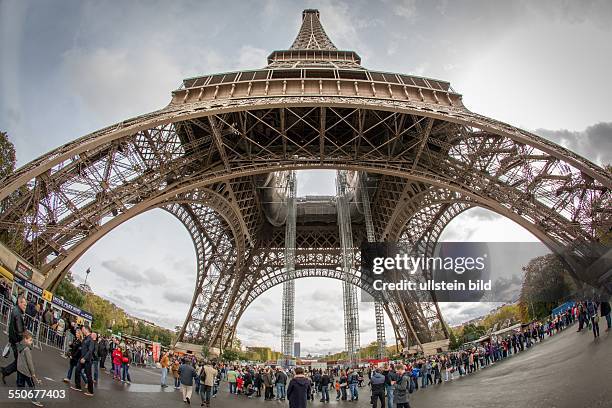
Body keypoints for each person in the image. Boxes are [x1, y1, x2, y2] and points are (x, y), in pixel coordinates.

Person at [1, 295, 26, 384]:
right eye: (24, 304)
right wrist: (24, 341)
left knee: (19, 362)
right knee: (20, 362)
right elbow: (19, 331)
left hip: (14, 340)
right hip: (17, 342)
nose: (25, 306)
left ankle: (6, 372)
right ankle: (5, 372)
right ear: (19, 303)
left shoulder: (15, 311)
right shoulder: (18, 314)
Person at [16, 330, 44, 407]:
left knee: (20, 382)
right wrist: (33, 373)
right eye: (31, 340)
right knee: (31, 386)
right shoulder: (27, 349)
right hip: (26, 371)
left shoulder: (20, 344)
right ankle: (34, 400)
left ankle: (20, 393)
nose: (32, 342)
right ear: (25, 339)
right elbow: (30, 363)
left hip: (19, 368)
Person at [72, 325, 94, 396]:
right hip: (81, 359)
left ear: (86, 330)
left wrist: (85, 358)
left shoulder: (91, 339)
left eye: (83, 329)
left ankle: (91, 392)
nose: (82, 331)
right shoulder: (85, 338)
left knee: (88, 376)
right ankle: (78, 386)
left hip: (87, 360)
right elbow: (82, 347)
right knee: (77, 370)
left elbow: (90, 351)